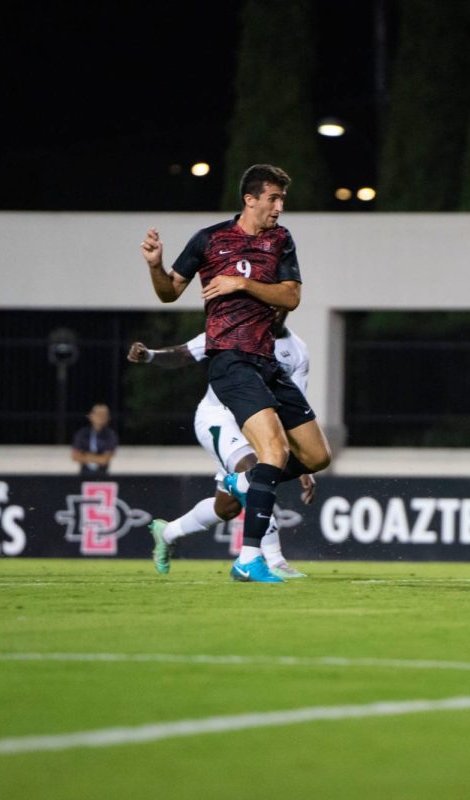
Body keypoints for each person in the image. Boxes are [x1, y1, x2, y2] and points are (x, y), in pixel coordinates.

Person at [140, 163, 332, 583]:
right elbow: (169, 292)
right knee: (274, 453)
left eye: (282, 199)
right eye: (273, 199)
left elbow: (292, 296)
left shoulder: (280, 240)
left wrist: (241, 284)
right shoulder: (209, 239)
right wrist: (155, 266)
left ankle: (245, 482)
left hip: (266, 364)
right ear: (250, 199)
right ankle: (251, 559)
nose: (279, 207)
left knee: (317, 455)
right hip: (230, 359)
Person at [127, 310, 317, 579]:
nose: (273, 308)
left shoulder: (298, 351)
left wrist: (303, 463)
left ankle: (167, 532)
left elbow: (294, 408)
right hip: (220, 417)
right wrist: (149, 355)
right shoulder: (232, 332)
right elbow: (184, 353)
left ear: (287, 307)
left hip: (259, 425)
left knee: (227, 507)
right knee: (255, 474)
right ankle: (275, 561)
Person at [71, 403, 118, 476]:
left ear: (108, 417)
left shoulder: (110, 435)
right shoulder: (82, 433)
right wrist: (98, 458)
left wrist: (86, 456)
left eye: (104, 414)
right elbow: (75, 456)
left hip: (103, 475)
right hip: (83, 474)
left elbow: (105, 460)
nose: (101, 417)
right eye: (98, 414)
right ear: (91, 416)